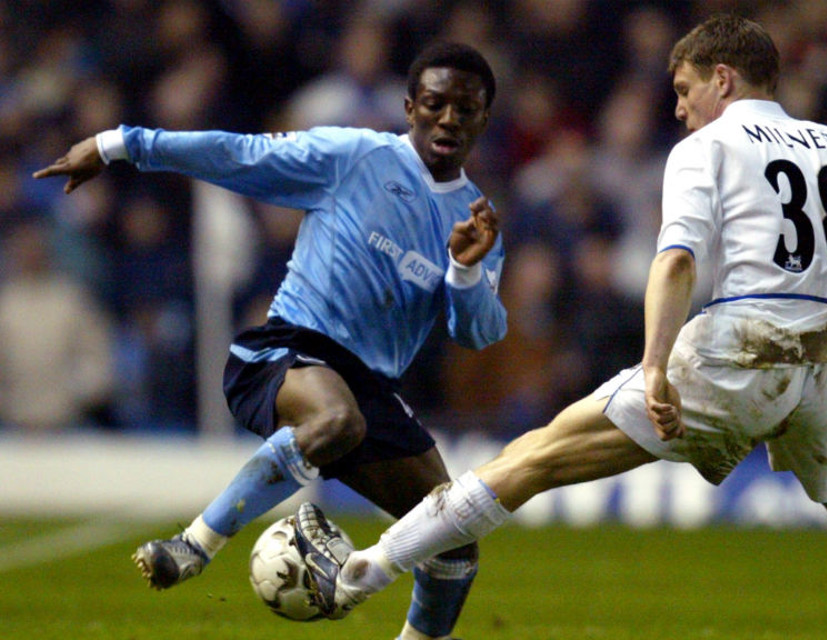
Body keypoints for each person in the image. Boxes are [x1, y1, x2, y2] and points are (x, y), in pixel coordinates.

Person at [293, 16, 827, 639]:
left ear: (721, 79)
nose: (678, 106)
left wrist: (656, 365)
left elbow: (676, 260)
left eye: (684, 88)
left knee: (536, 457)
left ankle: (364, 570)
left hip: (742, 350)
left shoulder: (708, 147)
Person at [34, 42, 506, 640]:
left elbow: (480, 332)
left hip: (372, 389)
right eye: (435, 104)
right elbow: (239, 155)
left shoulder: (476, 219)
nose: (449, 120)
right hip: (288, 350)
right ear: (410, 107)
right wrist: (118, 144)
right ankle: (193, 544)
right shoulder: (354, 156)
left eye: (465, 109)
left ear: (484, 119)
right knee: (337, 421)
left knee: (454, 540)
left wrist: (464, 272)